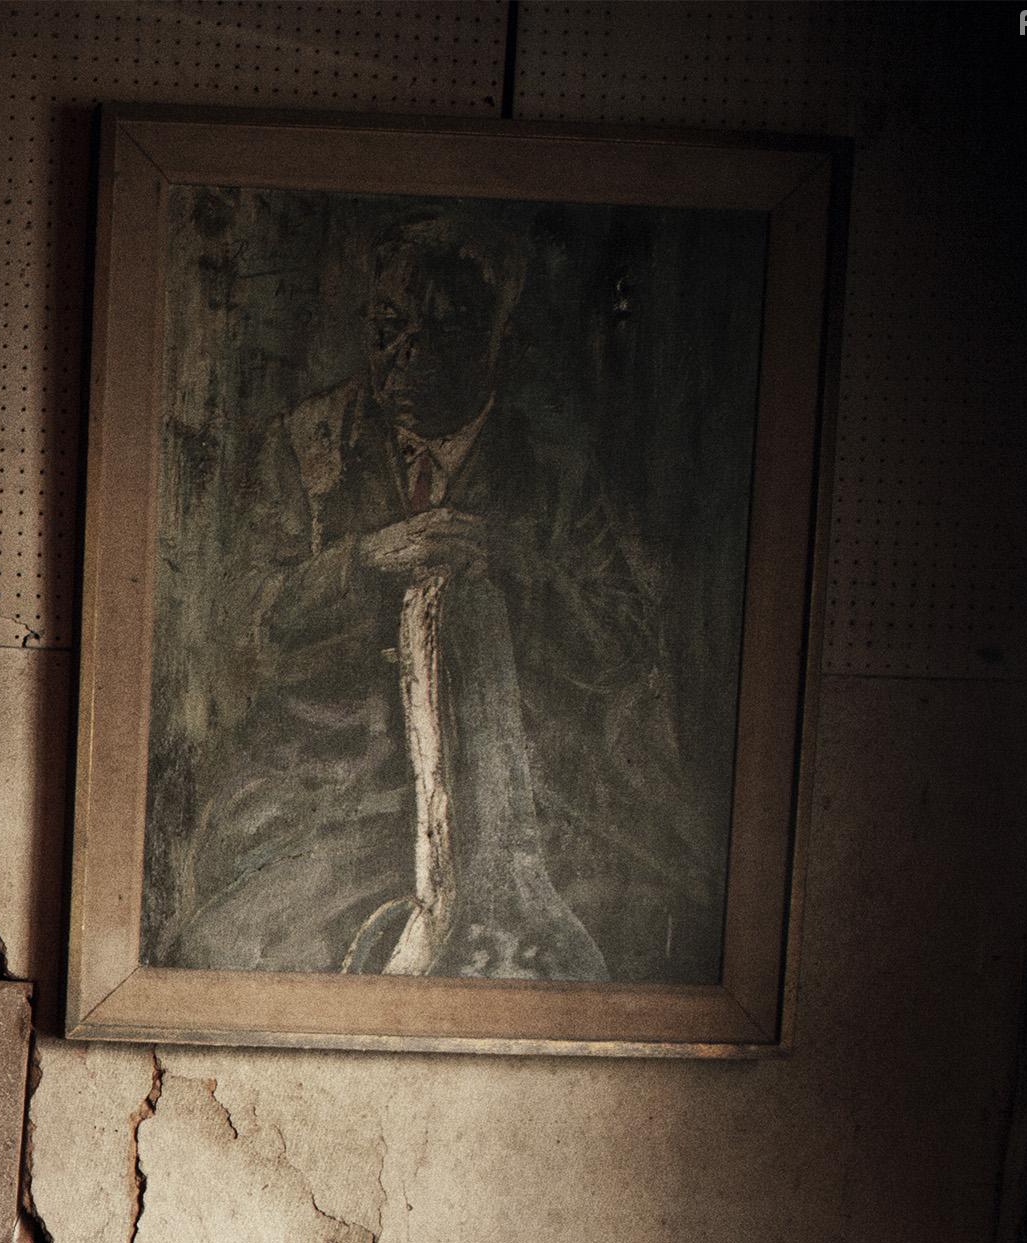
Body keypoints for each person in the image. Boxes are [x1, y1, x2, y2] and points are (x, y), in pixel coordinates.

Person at [154, 209, 717, 983]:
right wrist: (362, 562)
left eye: (445, 332)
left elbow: (623, 643)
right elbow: (239, 626)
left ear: (500, 345)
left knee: (660, 937)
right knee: (229, 945)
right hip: (337, 793)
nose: (408, 359)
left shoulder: (552, 468)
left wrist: (516, 568)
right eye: (389, 330)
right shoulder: (309, 444)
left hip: (529, 802)